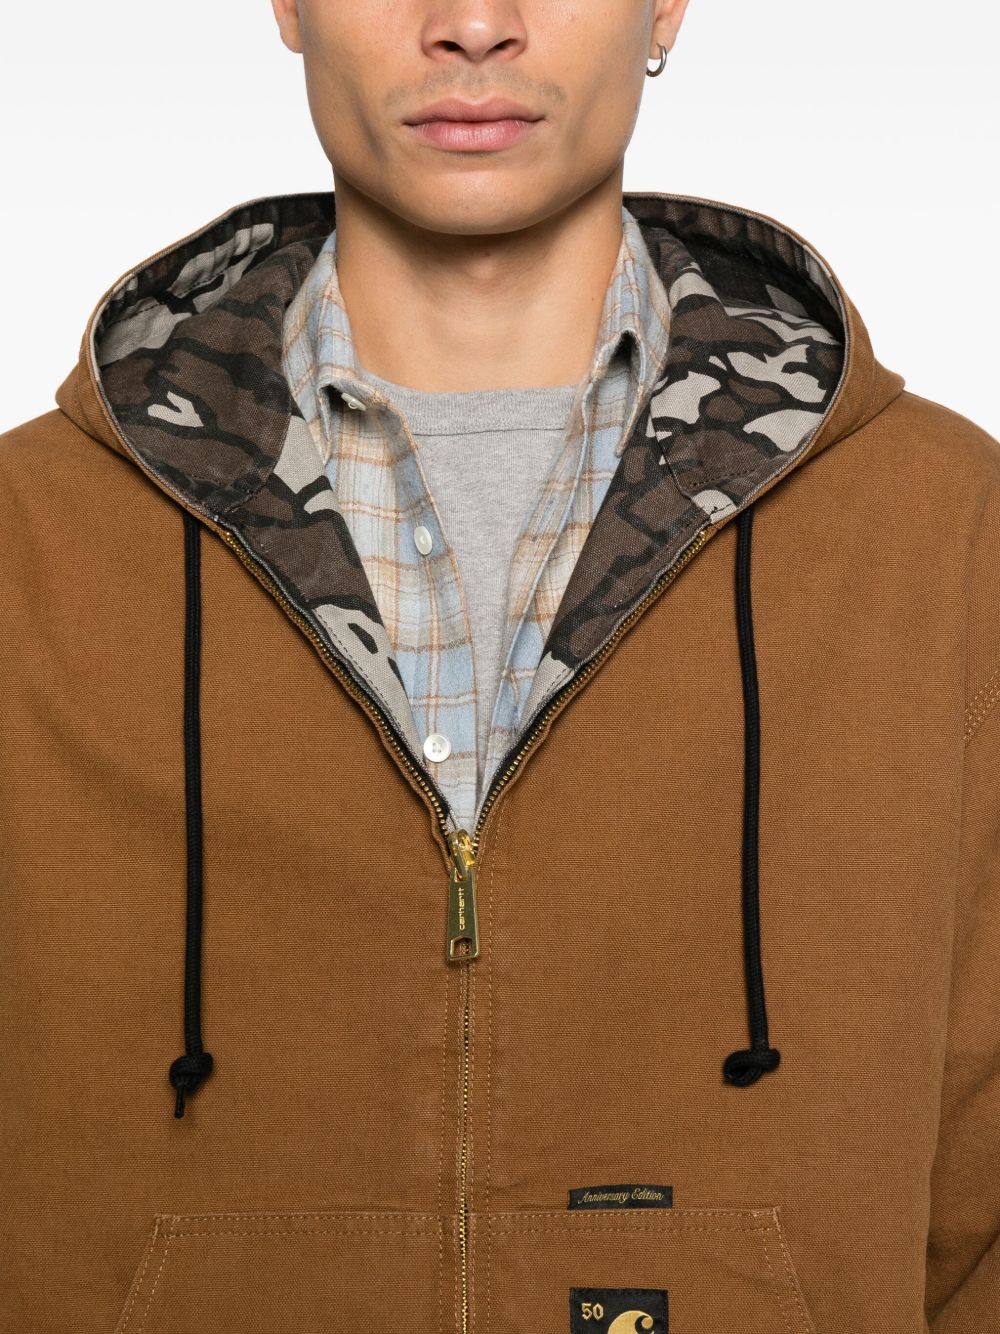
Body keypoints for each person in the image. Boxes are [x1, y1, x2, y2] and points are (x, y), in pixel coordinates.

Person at [1, 1, 997, 1330]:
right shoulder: (29, 544)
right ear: (288, 5)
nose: (474, 24)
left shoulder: (943, 529)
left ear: (666, 4)